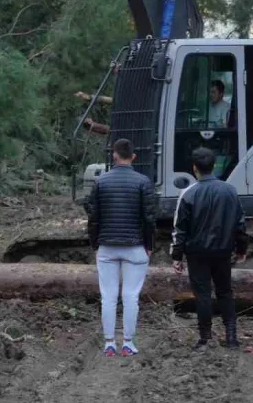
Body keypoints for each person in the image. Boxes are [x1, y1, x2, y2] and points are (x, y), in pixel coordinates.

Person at [170, 147, 249, 349]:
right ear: (214, 166)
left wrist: (176, 256)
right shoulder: (230, 190)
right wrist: (241, 248)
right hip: (223, 250)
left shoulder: (188, 194)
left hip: (196, 253)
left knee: (202, 294)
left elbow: (180, 229)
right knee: (225, 292)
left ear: (194, 168)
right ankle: (231, 337)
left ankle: (205, 338)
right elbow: (240, 224)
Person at [87, 138, 158, 357]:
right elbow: (149, 218)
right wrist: (149, 245)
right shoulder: (143, 182)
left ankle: (109, 343)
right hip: (135, 246)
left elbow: (93, 217)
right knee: (130, 296)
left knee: (108, 296)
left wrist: (95, 243)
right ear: (133, 157)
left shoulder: (101, 182)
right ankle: (128, 343)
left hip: (107, 246)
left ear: (114, 156)